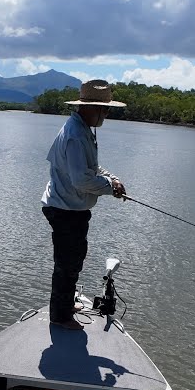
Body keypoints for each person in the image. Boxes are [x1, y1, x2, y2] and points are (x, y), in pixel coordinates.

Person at [40, 80, 128, 330]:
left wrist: (112, 179)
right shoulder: (76, 135)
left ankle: (65, 305)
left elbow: (92, 168)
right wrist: (110, 189)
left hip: (71, 207)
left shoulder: (83, 130)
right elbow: (81, 180)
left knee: (74, 259)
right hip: (65, 209)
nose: (107, 114)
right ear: (91, 108)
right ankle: (60, 316)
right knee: (67, 264)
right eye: (106, 109)